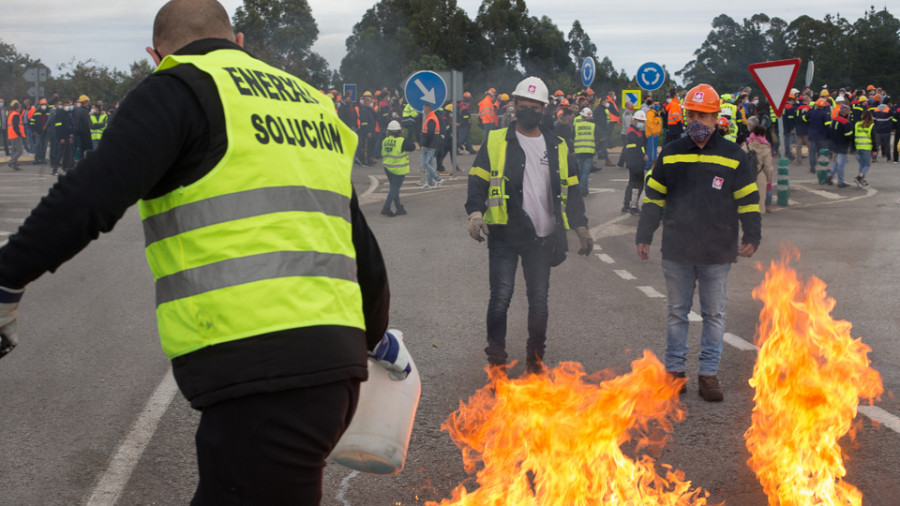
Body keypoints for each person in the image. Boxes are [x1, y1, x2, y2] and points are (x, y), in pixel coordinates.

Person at [0, 2, 411, 504]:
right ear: (238, 41)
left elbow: (90, 195)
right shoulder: (310, 103)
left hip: (262, 366)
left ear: (156, 55)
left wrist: (7, 278)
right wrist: (373, 333)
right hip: (332, 367)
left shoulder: (179, 88)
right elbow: (355, 236)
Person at [636, 83, 761, 402]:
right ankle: (676, 373)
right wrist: (644, 235)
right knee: (677, 312)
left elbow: (748, 198)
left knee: (714, 314)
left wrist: (753, 234)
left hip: (717, 250)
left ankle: (708, 374)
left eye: (704, 115)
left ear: (717, 117)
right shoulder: (671, 152)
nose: (697, 120)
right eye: (692, 113)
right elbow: (653, 198)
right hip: (677, 248)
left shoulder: (733, 155)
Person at [465, 76, 592, 374]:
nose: (529, 108)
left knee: (539, 302)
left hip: (542, 236)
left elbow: (572, 189)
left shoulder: (557, 145)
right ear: (515, 106)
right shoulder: (496, 139)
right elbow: (477, 179)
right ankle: (496, 363)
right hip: (505, 233)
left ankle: (535, 362)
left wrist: (581, 227)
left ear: (544, 108)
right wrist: (474, 212)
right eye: (524, 103)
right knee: (500, 299)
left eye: (536, 105)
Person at [381, 120, 416, 216]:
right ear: (400, 131)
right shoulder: (402, 141)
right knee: (394, 189)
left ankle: (399, 207)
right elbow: (412, 147)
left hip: (388, 167)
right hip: (398, 169)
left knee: (394, 188)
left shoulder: (385, 140)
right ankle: (386, 207)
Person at [619, 109, 648, 215]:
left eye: (643, 121)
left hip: (636, 162)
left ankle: (626, 205)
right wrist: (643, 155)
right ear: (635, 120)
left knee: (632, 184)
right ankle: (633, 207)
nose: (642, 123)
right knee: (637, 185)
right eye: (640, 121)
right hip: (636, 162)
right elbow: (633, 148)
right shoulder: (632, 132)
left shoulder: (637, 131)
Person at [743, 118, 773, 213]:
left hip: (747, 176)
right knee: (759, 207)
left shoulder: (746, 144)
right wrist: (768, 179)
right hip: (760, 176)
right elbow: (768, 166)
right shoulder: (766, 147)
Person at [572, 107, 600, 196]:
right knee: (585, 173)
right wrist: (597, 148)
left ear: (582, 116)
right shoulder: (593, 126)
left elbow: (571, 139)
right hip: (589, 152)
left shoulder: (576, 126)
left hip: (578, 152)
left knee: (580, 172)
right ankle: (582, 190)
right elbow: (599, 138)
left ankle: (583, 189)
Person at [826, 103, 853, 187]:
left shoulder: (834, 120)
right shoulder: (846, 122)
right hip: (842, 145)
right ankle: (840, 182)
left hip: (834, 144)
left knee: (837, 162)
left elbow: (829, 132)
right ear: (846, 113)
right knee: (841, 164)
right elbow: (849, 135)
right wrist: (851, 146)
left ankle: (830, 176)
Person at [418, 102, 443, 189]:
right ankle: (429, 183)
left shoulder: (431, 119)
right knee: (430, 164)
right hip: (432, 144)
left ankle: (438, 179)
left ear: (427, 109)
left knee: (425, 164)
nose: (423, 110)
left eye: (424, 108)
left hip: (430, 145)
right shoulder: (431, 117)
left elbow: (430, 133)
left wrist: (425, 144)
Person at [854, 109, 874, 187]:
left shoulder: (857, 124)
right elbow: (873, 138)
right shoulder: (871, 125)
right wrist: (875, 149)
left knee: (862, 165)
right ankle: (859, 177)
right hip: (866, 147)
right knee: (867, 165)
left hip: (858, 146)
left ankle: (861, 181)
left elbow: (854, 135)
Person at [6, 100, 26, 171]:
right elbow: (15, 126)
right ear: (18, 108)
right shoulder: (16, 115)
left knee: (14, 150)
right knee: (19, 151)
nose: (20, 109)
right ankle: (11, 162)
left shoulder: (12, 114)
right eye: (19, 107)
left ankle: (14, 165)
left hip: (12, 135)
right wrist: (19, 134)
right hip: (16, 135)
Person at [645, 101, 662, 170]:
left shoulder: (656, 113)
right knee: (651, 151)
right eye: (655, 104)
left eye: (658, 104)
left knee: (653, 150)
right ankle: (650, 166)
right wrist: (654, 132)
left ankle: (652, 165)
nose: (657, 105)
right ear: (652, 105)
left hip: (655, 134)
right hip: (652, 134)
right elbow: (649, 123)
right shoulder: (650, 113)